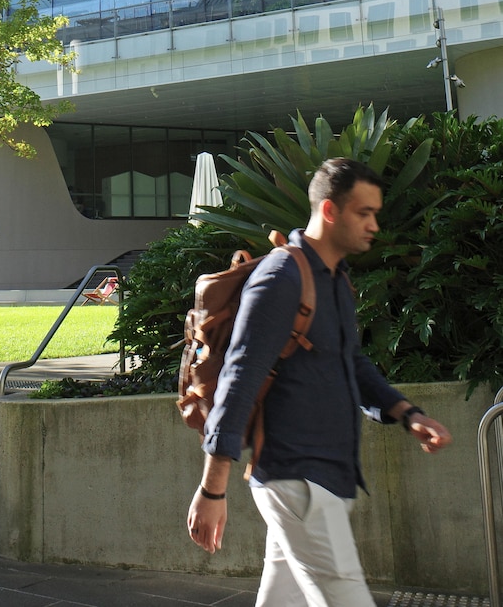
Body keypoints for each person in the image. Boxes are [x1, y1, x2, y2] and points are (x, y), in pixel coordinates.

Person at [187, 157, 452, 607]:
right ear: (330, 211)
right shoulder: (280, 278)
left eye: (375, 214)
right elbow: (239, 379)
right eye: (363, 213)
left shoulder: (334, 279)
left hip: (324, 476)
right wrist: (213, 488)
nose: (373, 225)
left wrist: (405, 413)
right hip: (297, 479)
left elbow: (350, 361)